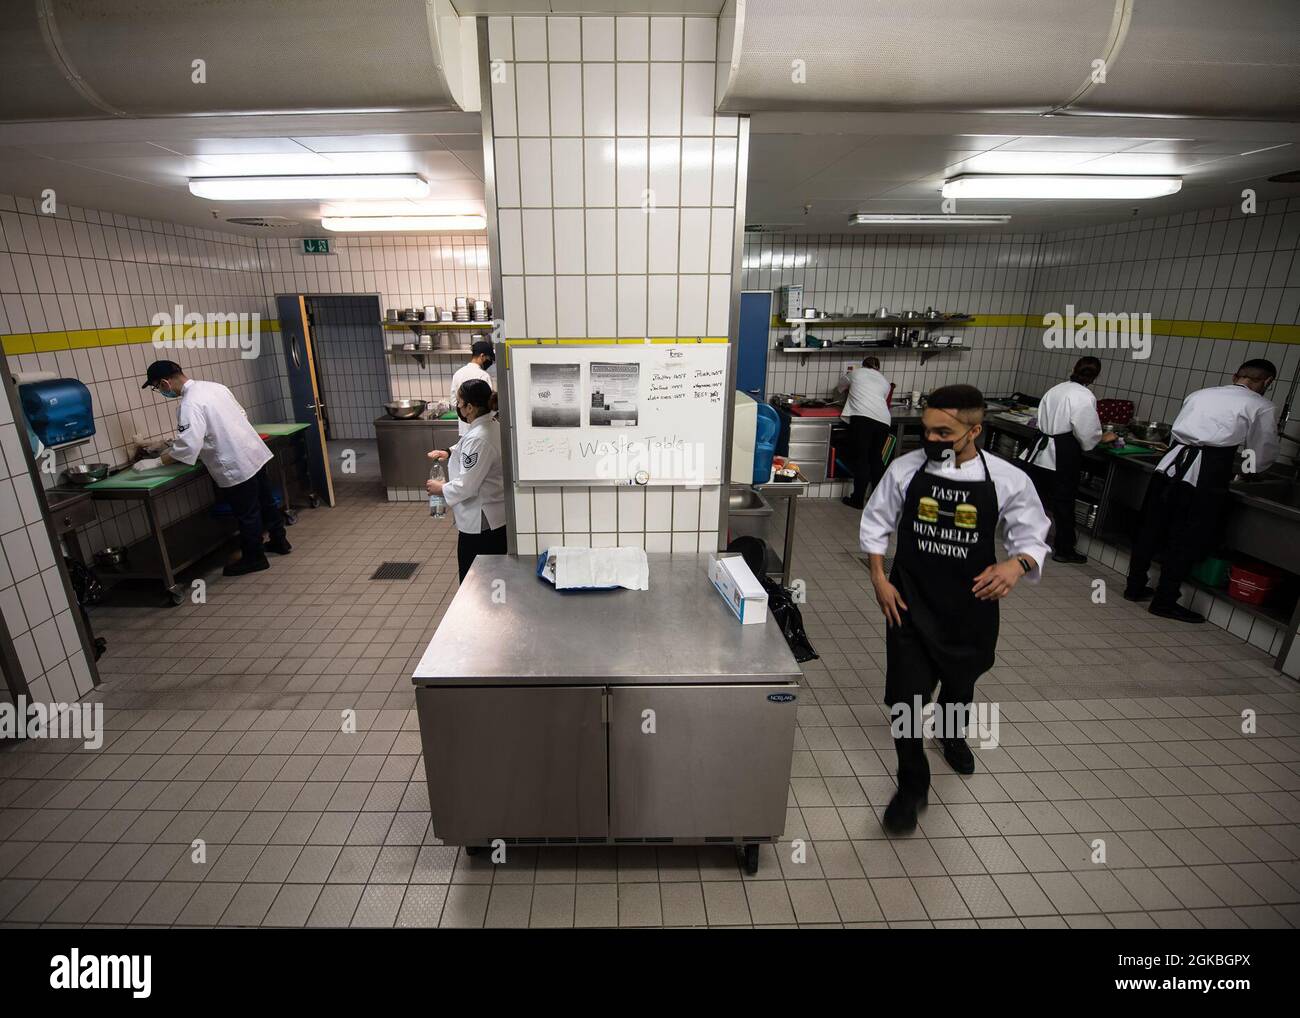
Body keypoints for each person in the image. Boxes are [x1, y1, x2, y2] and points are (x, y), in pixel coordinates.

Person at [860, 384, 1050, 835]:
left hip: (970, 606)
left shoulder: (1007, 479)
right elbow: (876, 523)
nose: (932, 441)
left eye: (944, 432)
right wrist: (879, 580)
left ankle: (950, 733)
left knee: (960, 681)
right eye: (927, 431)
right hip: (909, 600)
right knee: (907, 698)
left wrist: (1016, 566)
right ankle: (912, 787)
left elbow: (1032, 538)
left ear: (975, 430)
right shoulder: (906, 470)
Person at [1126, 359, 1279, 623]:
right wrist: (1252, 471)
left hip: (1169, 466)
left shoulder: (1200, 394)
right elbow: (1259, 453)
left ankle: (1134, 586)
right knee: (1186, 537)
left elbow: (1178, 433)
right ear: (1267, 382)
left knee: (1151, 527)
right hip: (1206, 471)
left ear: (1235, 376)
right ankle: (1164, 601)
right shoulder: (1261, 405)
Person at [138, 360, 289, 577]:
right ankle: (280, 541)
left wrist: (157, 461)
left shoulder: (189, 404)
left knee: (247, 513)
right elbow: (241, 414)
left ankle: (254, 558)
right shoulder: (215, 387)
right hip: (252, 452)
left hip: (234, 462)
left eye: (156, 387)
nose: (160, 391)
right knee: (265, 502)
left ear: (165, 382)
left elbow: (188, 445)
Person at [1019, 356, 1117, 563]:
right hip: (1061, 453)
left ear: (1073, 368)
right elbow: (1087, 433)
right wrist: (1102, 438)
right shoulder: (1084, 396)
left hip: (1040, 451)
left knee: (1035, 499)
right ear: (1096, 376)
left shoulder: (1056, 389)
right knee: (1063, 503)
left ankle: (1025, 540)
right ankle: (1064, 549)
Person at [426, 379, 507, 582]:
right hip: (491, 516)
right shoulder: (491, 424)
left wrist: (441, 488)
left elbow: (467, 486)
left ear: (470, 407)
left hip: (481, 522)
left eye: (460, 403)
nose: (458, 407)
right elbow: (467, 448)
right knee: (489, 578)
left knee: (475, 581)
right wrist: (447, 452)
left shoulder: (480, 436)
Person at [837, 356, 893, 509]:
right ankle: (877, 502)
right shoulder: (885, 382)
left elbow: (840, 387)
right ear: (878, 368)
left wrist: (848, 390)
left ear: (863, 365)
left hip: (863, 419)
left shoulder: (856, 373)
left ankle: (857, 499)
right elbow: (881, 399)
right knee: (876, 458)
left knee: (862, 458)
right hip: (883, 420)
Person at [449, 340, 496, 436]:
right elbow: (489, 404)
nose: (489, 361)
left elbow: (454, 402)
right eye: (489, 358)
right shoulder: (483, 375)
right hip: (481, 428)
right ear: (482, 356)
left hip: (465, 428)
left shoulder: (458, 373)